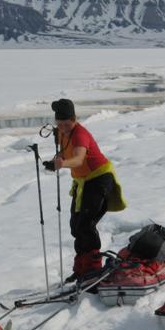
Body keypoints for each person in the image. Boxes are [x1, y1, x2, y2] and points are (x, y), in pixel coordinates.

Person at [44, 99, 126, 281]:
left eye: (67, 124)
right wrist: (54, 161)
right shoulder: (60, 133)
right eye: (60, 124)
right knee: (76, 225)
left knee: (86, 224)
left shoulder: (80, 134)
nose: (64, 128)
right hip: (83, 181)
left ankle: (92, 268)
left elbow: (79, 159)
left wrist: (62, 164)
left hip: (100, 179)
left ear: (75, 119)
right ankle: (81, 268)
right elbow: (63, 153)